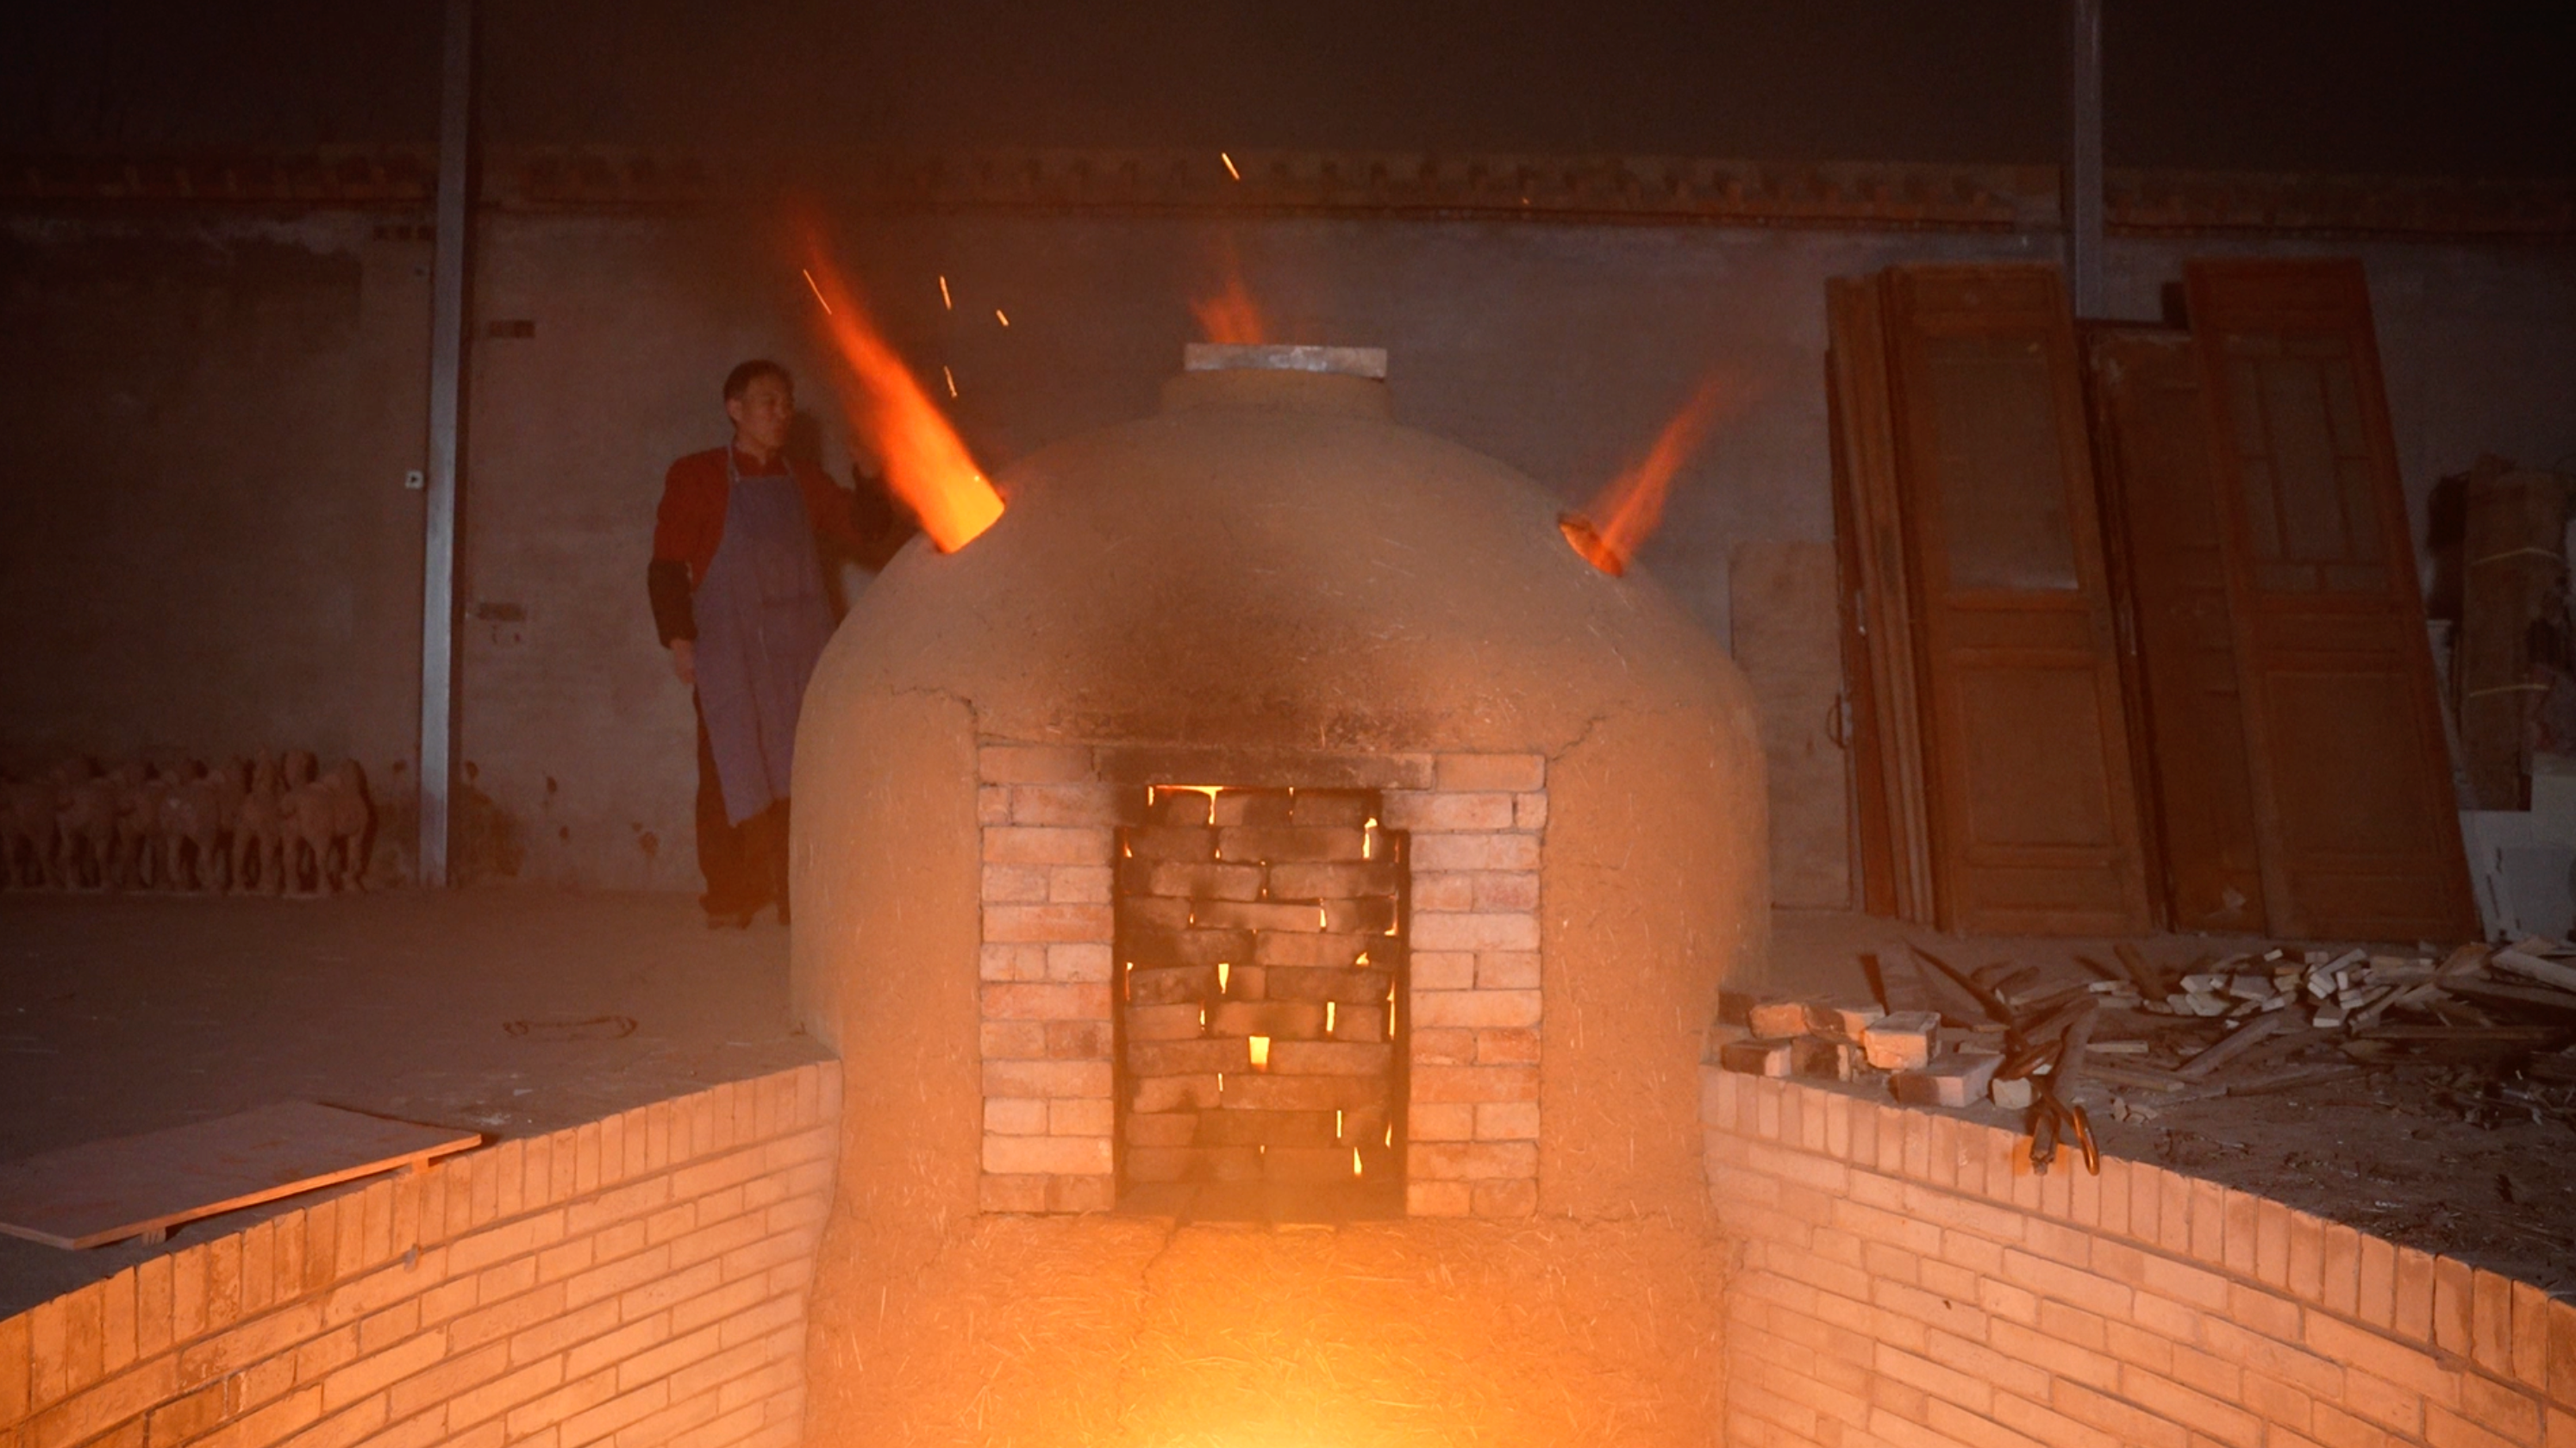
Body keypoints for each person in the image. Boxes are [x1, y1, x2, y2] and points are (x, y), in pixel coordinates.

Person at [647, 359, 892, 927]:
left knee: (800, 771)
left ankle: (794, 894)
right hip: (728, 653)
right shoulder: (697, 476)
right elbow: (665, 566)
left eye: (786, 403)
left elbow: (868, 530)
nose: (781, 414)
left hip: (799, 653)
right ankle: (729, 896)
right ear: (735, 410)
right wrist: (680, 642)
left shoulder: (803, 480)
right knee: (726, 771)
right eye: (767, 402)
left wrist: (869, 477)